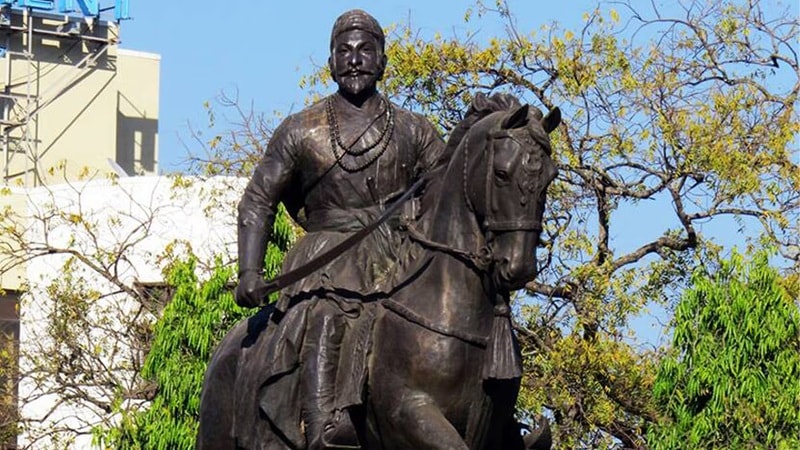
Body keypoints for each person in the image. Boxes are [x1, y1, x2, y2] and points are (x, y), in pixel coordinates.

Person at [234, 9, 447, 450]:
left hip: (401, 257)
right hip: (327, 257)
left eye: (365, 50)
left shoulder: (415, 130)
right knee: (327, 312)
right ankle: (323, 428)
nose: (354, 60)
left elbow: (449, 194)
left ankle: (498, 421)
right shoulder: (300, 130)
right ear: (330, 62)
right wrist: (249, 272)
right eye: (344, 51)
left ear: (383, 61)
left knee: (459, 313)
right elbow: (259, 199)